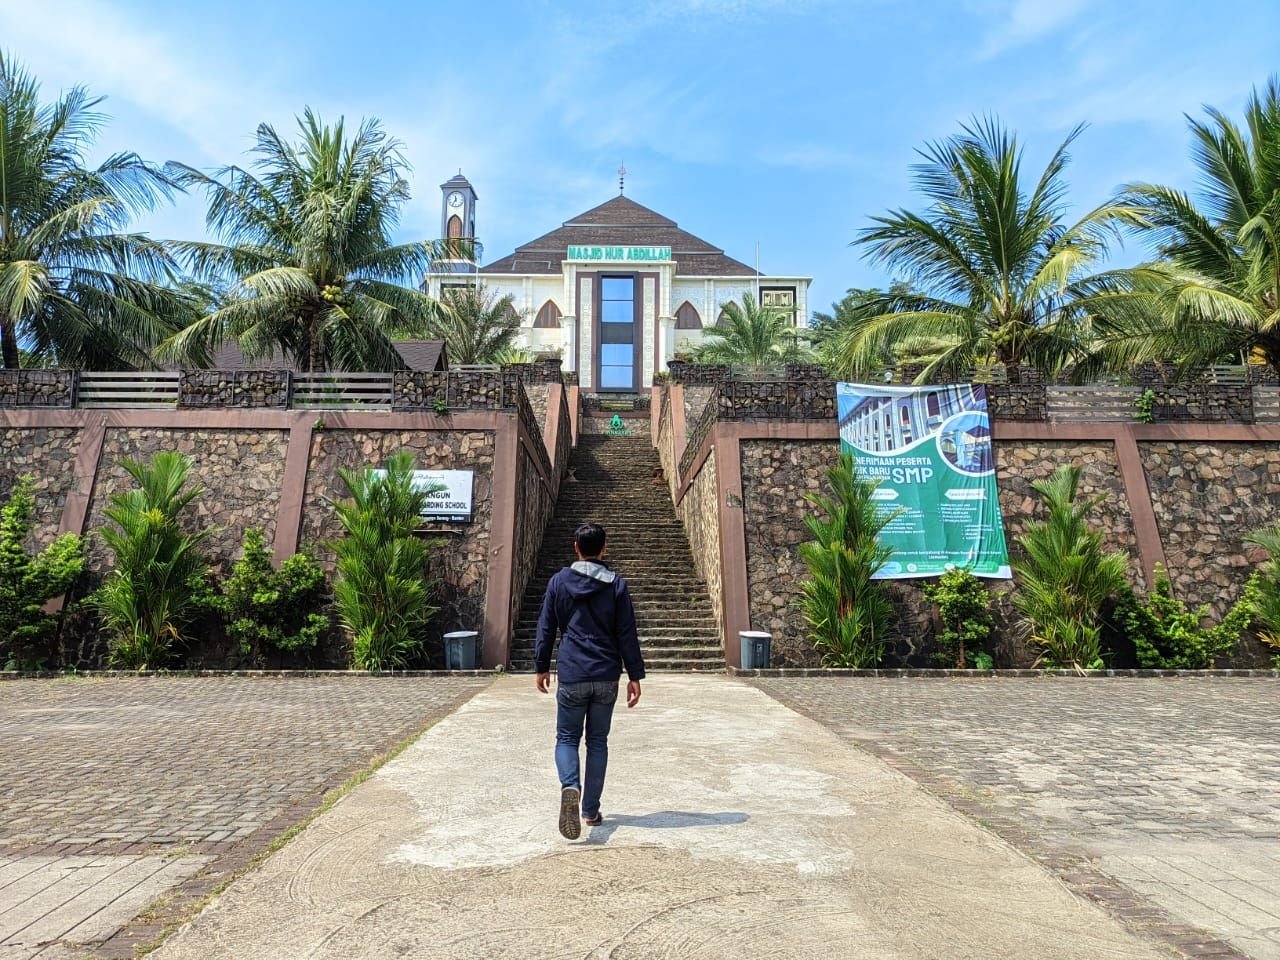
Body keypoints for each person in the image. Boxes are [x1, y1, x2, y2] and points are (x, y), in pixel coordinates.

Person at [535, 522, 645, 840]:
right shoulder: (616, 585)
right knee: (597, 742)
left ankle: (570, 785)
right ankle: (590, 810)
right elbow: (627, 633)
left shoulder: (558, 582)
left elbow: (546, 626)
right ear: (604, 548)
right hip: (606, 675)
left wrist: (541, 666)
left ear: (576, 548)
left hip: (571, 672)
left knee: (567, 738)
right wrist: (634, 675)